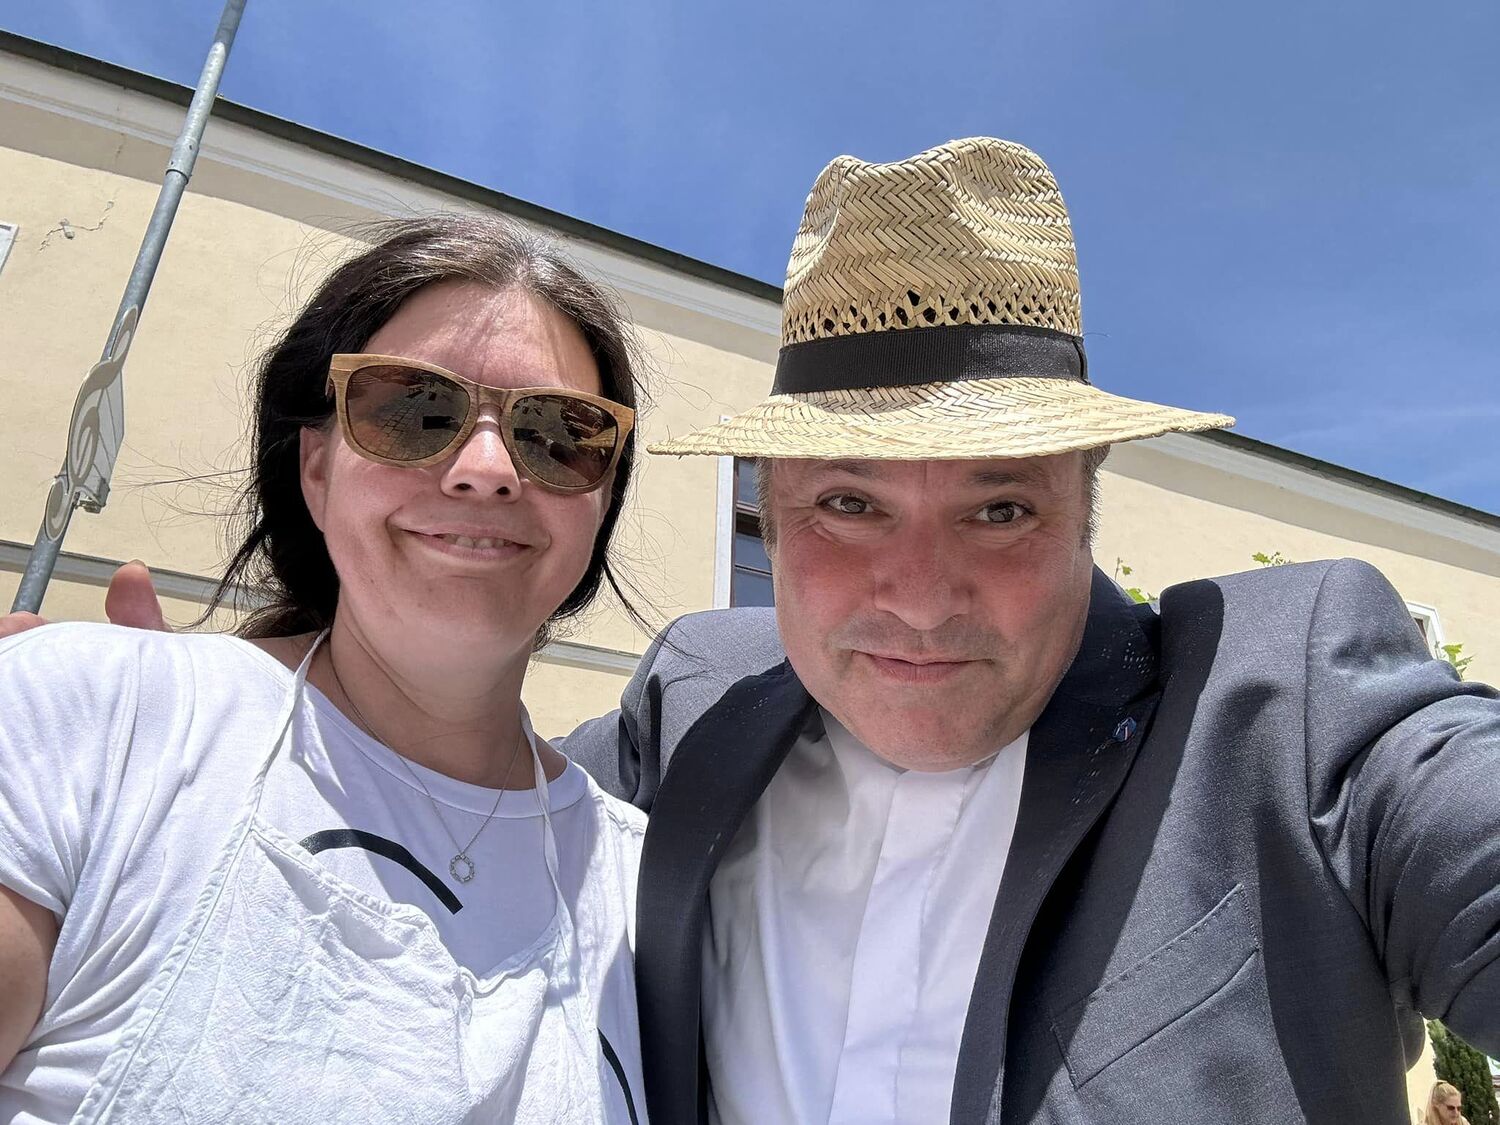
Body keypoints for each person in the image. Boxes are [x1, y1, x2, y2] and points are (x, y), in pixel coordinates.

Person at [10, 139, 1500, 1124]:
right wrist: (163, 716)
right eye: (849, 502)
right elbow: (425, 762)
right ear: (767, 512)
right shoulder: (693, 709)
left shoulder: (1288, 694)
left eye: (999, 509)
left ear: (1087, 497)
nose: (920, 593)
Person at [0, 213, 650, 1123]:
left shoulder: (648, 892)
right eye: (412, 408)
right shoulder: (92, 717)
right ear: (317, 466)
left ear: (601, 497)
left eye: (559, 433)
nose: (488, 468)